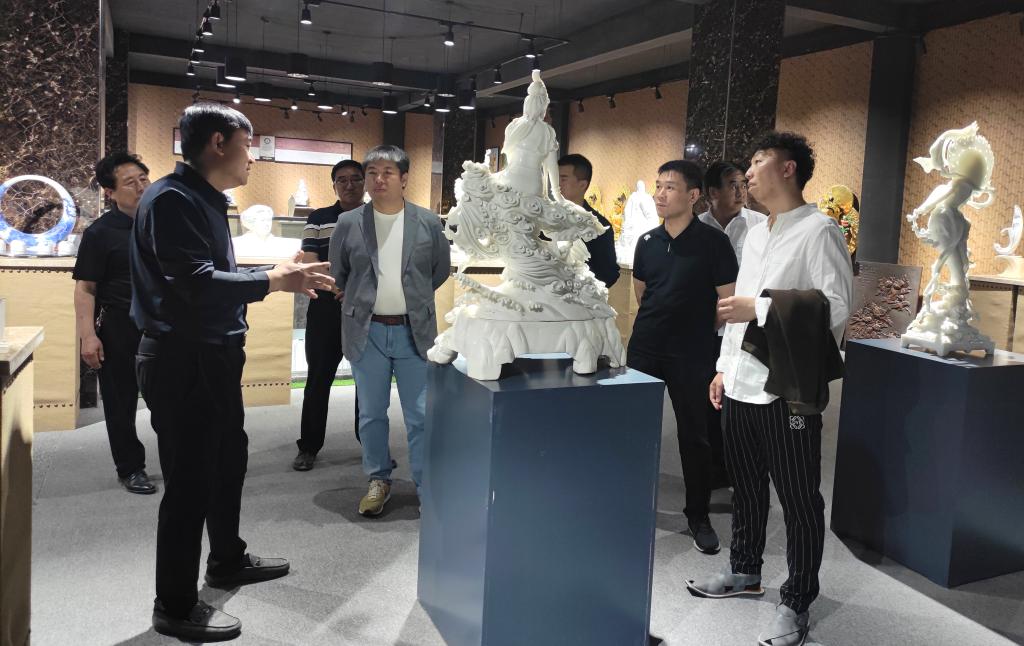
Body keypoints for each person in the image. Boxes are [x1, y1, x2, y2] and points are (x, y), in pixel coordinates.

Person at [130, 103, 336, 642]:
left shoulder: (200, 198)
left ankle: (226, 558)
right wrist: (272, 280)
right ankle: (174, 604)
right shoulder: (172, 199)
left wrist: (271, 276)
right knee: (189, 483)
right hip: (183, 359)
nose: (253, 157)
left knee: (226, 463)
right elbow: (195, 283)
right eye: (248, 146)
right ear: (218, 143)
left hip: (212, 356)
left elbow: (209, 275)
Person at [687, 132, 853, 646]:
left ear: (788, 168)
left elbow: (836, 308)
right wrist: (722, 368)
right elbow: (733, 311)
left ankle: (797, 600)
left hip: (787, 390)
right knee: (746, 486)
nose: (749, 171)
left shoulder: (820, 231)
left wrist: (759, 307)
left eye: (759, 161)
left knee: (799, 498)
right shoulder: (756, 232)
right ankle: (745, 569)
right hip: (740, 382)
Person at [329, 145, 450, 517]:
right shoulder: (349, 222)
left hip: (415, 331)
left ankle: (426, 484)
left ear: (404, 178)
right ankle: (378, 478)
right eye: (372, 173)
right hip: (368, 332)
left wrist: (412, 298)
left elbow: (439, 271)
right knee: (371, 414)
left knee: (420, 415)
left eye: (388, 172)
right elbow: (340, 271)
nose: (378, 179)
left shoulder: (427, 222)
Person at [627, 159, 738, 555]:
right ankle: (631, 503)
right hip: (645, 347)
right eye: (658, 185)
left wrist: (695, 328)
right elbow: (642, 293)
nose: (660, 194)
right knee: (635, 429)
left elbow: (727, 302)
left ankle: (698, 515)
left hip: (693, 352)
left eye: (669, 187)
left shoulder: (713, 243)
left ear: (693, 196)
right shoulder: (647, 242)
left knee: (695, 435)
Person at [73, 152, 154, 494]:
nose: (140, 187)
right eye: (129, 182)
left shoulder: (166, 222)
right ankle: (130, 467)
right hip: (120, 323)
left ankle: (181, 460)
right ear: (110, 192)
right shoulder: (100, 233)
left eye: (143, 179)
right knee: (121, 401)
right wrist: (88, 336)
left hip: (165, 323)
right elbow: (86, 288)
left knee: (173, 396)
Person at [697, 161, 767, 489]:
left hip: (745, 327)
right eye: (732, 185)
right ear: (712, 192)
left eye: (743, 184)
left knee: (740, 403)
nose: (740, 191)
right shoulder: (697, 227)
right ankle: (713, 467)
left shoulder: (760, 225)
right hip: (706, 328)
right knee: (706, 400)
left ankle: (741, 471)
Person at [293, 159, 366, 471]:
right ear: (334, 185)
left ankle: (370, 444)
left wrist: (356, 292)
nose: (349, 185)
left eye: (355, 179)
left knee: (368, 381)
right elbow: (311, 262)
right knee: (318, 378)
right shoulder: (319, 218)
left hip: (365, 309)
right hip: (326, 307)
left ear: (364, 182)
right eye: (342, 180)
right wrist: (340, 288)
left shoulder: (376, 216)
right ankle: (308, 447)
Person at [557, 153, 619, 287]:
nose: (557, 184)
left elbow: (608, 273)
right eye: (555, 178)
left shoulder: (600, 226)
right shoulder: (544, 217)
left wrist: (579, 286)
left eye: (563, 179)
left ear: (582, 185)